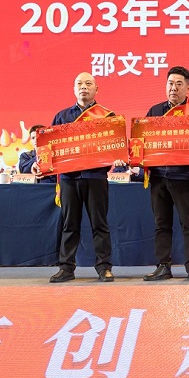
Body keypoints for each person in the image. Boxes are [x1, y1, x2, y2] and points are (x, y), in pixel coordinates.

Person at [34, 72, 123, 283]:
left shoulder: (107, 117)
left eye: (88, 83)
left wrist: (119, 157)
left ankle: (104, 267)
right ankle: (66, 268)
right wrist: (40, 164)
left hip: (96, 177)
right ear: (74, 89)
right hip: (69, 179)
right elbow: (48, 149)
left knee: (100, 224)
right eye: (79, 84)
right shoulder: (62, 116)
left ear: (96, 89)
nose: (84, 87)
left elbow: (116, 146)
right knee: (69, 224)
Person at [142, 66, 189, 282]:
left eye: (179, 84)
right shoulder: (154, 112)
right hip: (158, 178)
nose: (173, 88)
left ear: (188, 87)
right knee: (161, 224)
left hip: (184, 178)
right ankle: (163, 266)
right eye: (170, 83)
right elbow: (141, 141)